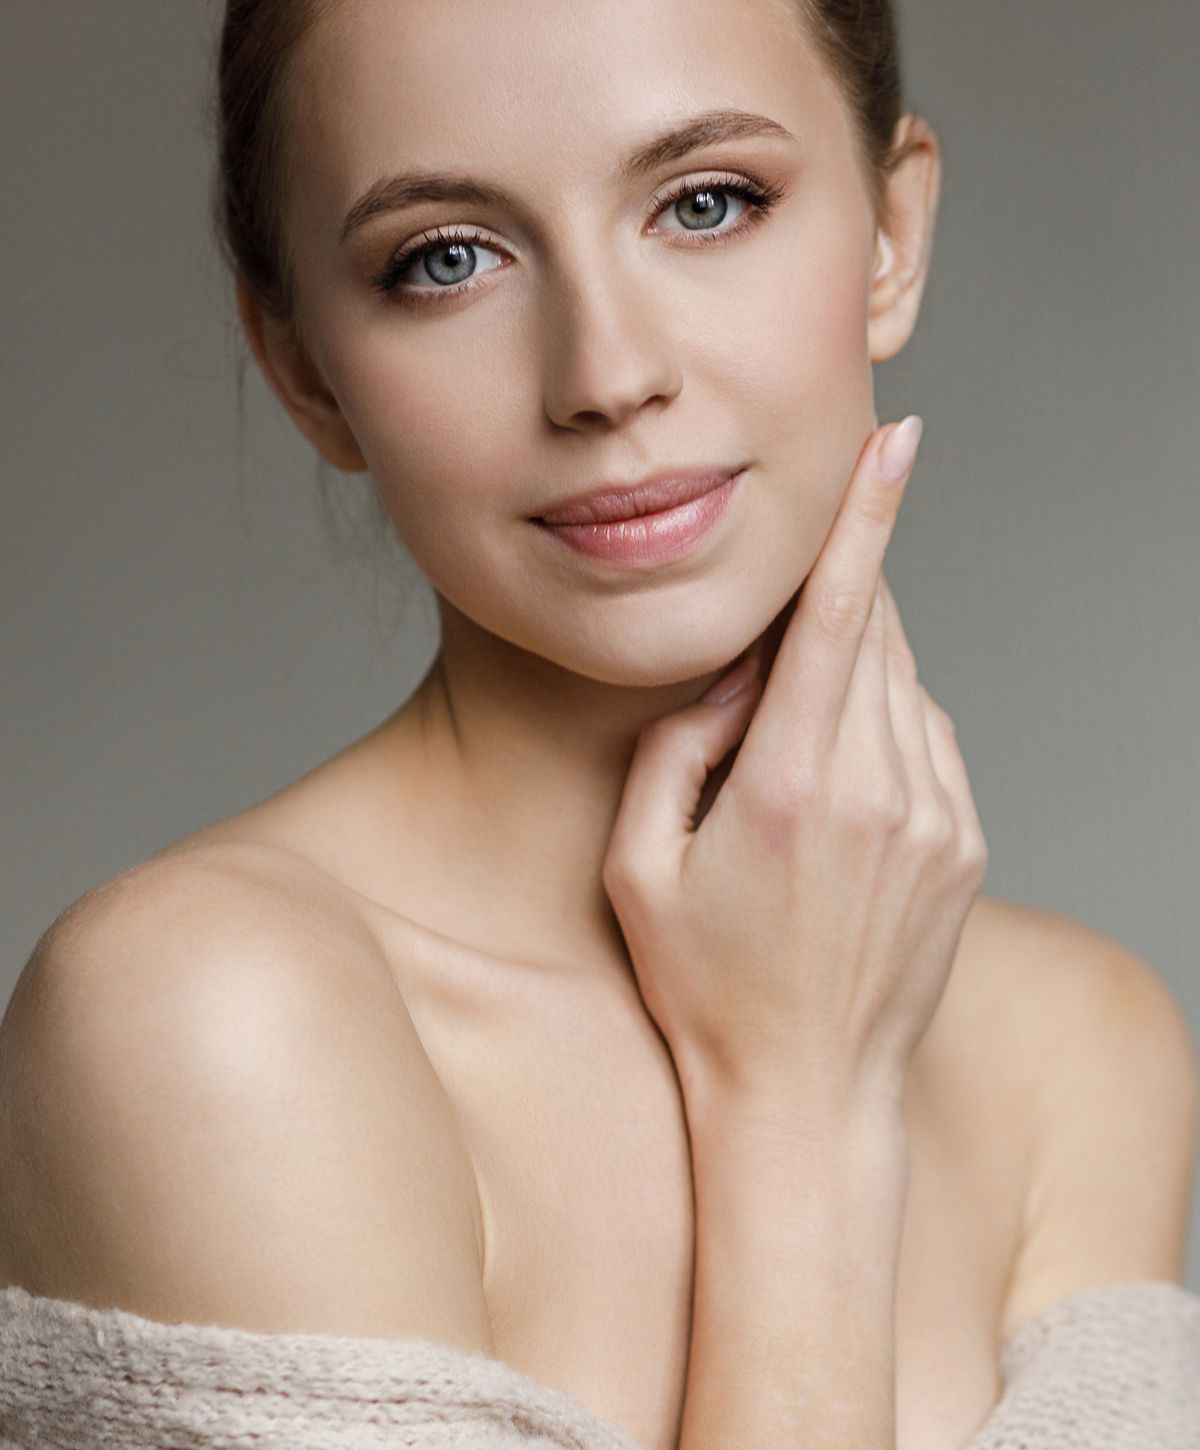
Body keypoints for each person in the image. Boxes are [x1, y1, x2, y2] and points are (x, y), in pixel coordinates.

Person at [0, 1, 1196, 1448]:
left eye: (706, 202)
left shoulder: (1081, 1053)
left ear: (893, 231)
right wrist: (799, 1113)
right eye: (446, 258)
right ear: (304, 364)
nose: (608, 373)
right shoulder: (207, 1021)